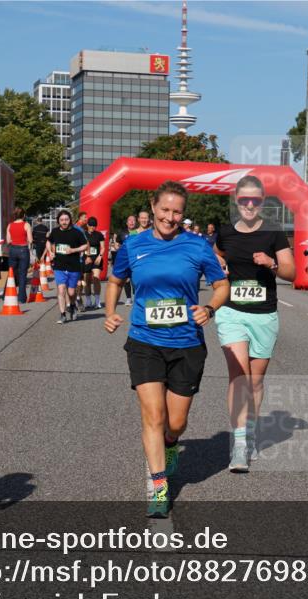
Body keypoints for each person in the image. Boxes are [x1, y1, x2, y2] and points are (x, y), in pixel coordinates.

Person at [104, 180, 229, 517]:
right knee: (153, 416)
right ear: (153, 207)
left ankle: (172, 444)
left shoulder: (198, 246)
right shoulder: (133, 246)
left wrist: (210, 308)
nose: (170, 217)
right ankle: (159, 486)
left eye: (177, 212)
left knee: (176, 422)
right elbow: (116, 281)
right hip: (145, 341)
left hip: (187, 344)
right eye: (165, 210)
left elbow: (221, 285)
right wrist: (111, 311)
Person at [214, 175, 296, 472]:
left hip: (264, 313)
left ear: (262, 202)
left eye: (256, 200)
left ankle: (251, 432)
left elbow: (291, 271)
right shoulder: (225, 232)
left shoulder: (273, 233)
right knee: (238, 375)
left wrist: (271, 263)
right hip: (231, 311)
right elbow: (216, 253)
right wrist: (218, 265)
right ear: (237, 200)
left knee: (255, 382)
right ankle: (238, 446)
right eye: (244, 199)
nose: (249, 205)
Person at [47, 210, 88, 323]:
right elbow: (48, 241)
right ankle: (62, 314)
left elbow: (85, 245)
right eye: (62, 220)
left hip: (73, 266)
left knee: (71, 292)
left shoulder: (76, 232)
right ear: (58, 221)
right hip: (59, 266)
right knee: (61, 290)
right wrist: (50, 252)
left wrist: (73, 250)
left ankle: (73, 305)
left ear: (70, 220)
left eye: (66, 220)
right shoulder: (55, 231)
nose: (64, 222)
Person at [6, 207, 33, 303]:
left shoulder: (10, 225)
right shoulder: (26, 225)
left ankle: (6, 295)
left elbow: (8, 240)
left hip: (13, 249)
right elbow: (30, 240)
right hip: (23, 250)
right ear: (24, 215)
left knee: (11, 273)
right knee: (22, 274)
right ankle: (21, 298)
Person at [83, 217, 106, 309]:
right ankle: (88, 300)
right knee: (86, 280)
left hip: (96, 259)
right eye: (91, 225)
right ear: (87, 225)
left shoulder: (99, 234)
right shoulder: (83, 234)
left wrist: (100, 256)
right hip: (86, 259)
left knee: (96, 278)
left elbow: (103, 247)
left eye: (94, 225)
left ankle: (97, 301)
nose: (92, 227)